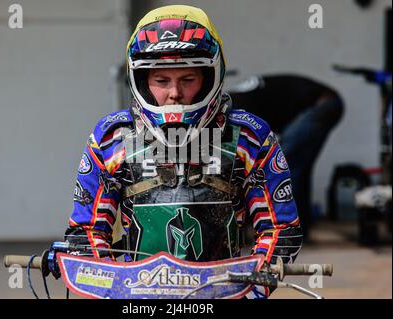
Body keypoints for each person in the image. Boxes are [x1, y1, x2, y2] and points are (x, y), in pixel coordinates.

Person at [64, 5, 302, 299]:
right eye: (161, 81)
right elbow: (87, 232)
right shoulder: (111, 137)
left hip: (224, 291)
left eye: (187, 79)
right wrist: (114, 289)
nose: (174, 92)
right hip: (136, 294)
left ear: (210, 76)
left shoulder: (249, 137)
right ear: (140, 80)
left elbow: (279, 228)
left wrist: (251, 290)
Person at [229, 74, 344, 240]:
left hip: (322, 104)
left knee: (284, 167)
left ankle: (289, 231)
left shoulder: (235, 112)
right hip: (323, 103)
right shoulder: (238, 103)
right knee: (299, 169)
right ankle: (300, 227)